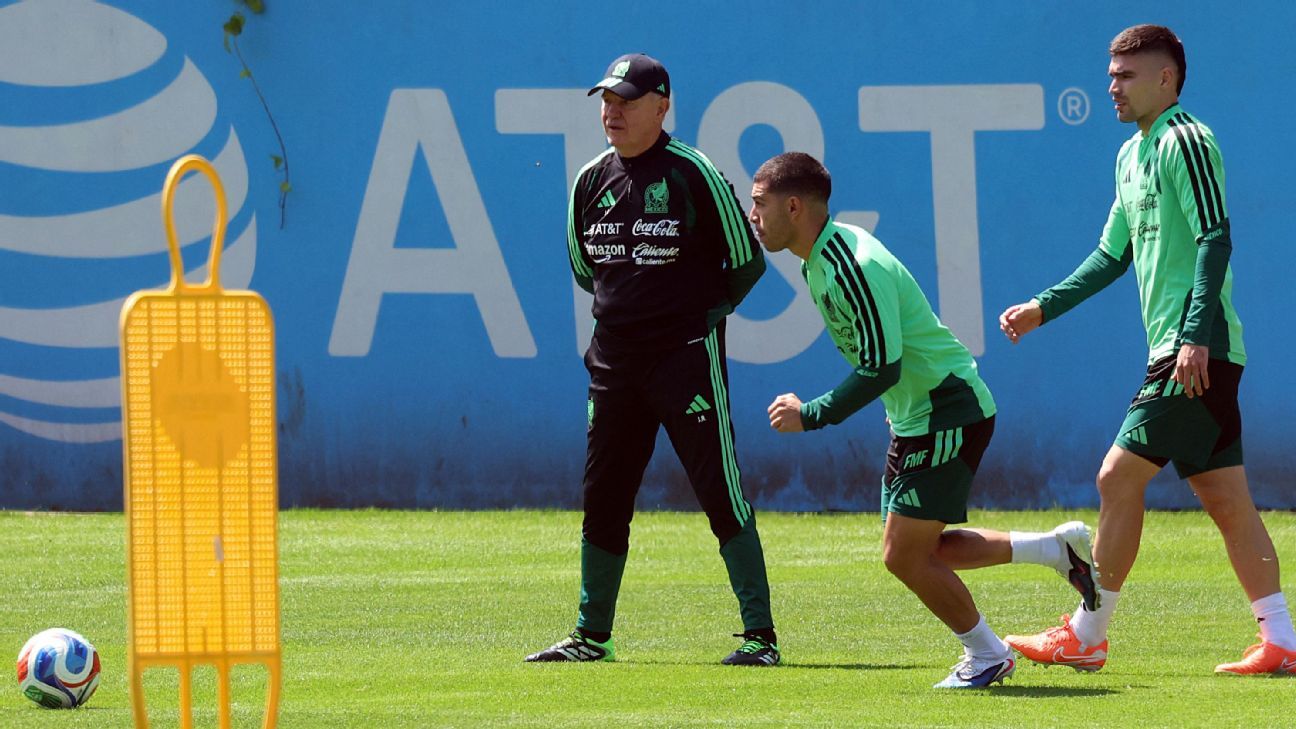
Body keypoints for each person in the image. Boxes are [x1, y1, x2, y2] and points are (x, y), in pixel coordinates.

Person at [999, 24, 1296, 676]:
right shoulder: (1130, 156)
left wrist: (1193, 336)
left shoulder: (1186, 140)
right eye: (1110, 75)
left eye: (1126, 75)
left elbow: (1216, 238)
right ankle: (1282, 638)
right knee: (1227, 499)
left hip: (1197, 348)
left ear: (1166, 78)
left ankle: (1087, 631)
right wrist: (1042, 305)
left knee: (1116, 477)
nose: (1113, 86)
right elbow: (1111, 256)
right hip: (1188, 349)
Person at [751, 151, 1098, 688]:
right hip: (922, 416)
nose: (754, 215)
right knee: (921, 549)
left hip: (946, 411)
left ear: (793, 206)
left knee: (902, 556)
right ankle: (1055, 549)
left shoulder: (848, 264)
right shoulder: (818, 259)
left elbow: (881, 367)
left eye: (760, 203)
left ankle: (988, 655)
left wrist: (812, 414)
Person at [525, 53, 779, 666]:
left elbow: (747, 262)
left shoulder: (695, 174)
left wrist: (694, 321)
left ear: (662, 107)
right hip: (613, 363)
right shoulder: (590, 181)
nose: (612, 111)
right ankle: (591, 636)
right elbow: (588, 272)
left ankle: (760, 638)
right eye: (607, 101)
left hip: (684, 358)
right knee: (603, 493)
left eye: (627, 101)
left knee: (720, 489)